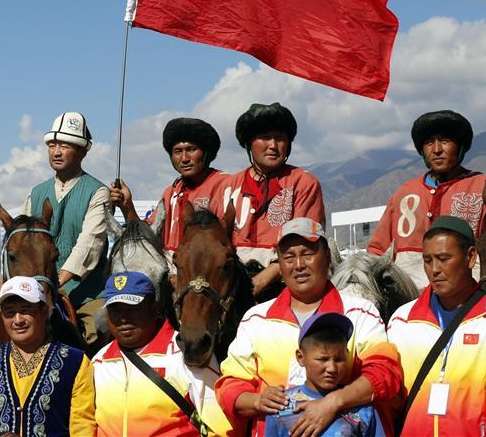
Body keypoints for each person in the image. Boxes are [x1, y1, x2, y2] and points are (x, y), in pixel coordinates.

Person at [215, 218, 402, 437]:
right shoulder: (256, 319)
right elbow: (229, 386)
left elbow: (386, 372)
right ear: (280, 265)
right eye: (289, 257)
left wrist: (333, 402)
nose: (299, 265)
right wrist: (258, 401)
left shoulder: (360, 312)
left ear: (328, 258)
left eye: (307, 253)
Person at [387, 215, 486, 435]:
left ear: (471, 257)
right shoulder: (401, 320)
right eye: (427, 260)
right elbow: (389, 400)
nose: (434, 269)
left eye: (444, 258)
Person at [367, 110, 486, 289]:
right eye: (429, 143)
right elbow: (377, 251)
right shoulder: (405, 192)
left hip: (468, 295)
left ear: (460, 147)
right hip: (407, 299)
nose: (437, 149)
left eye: (445, 141)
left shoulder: (482, 186)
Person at [92, 271, 231, 436]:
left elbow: (220, 426)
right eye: (115, 310)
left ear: (154, 308)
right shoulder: (99, 361)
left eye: (132, 308)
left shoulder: (186, 354)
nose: (124, 318)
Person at [0, 276, 96, 437]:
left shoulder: (75, 362)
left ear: (44, 311)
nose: (18, 320)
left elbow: (83, 427)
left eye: (25, 311)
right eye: (10, 312)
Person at [221, 102, 325, 296]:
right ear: (249, 143)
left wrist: (260, 281)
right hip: (232, 282)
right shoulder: (228, 186)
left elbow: (304, 244)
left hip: (286, 282)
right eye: (265, 138)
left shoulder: (304, 183)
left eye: (280, 138)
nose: (273, 146)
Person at [25, 111, 109, 345]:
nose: (57, 152)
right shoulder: (35, 193)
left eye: (66, 145)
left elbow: (89, 244)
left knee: (96, 330)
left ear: (82, 152)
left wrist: (56, 280)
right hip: (38, 288)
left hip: (86, 292)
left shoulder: (98, 192)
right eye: (52, 145)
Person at [110, 118, 230, 278]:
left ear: (206, 152)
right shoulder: (171, 192)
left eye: (191, 149)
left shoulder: (224, 184)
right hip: (168, 275)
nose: (185, 158)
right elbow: (147, 239)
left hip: (204, 278)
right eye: (178, 151)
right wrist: (127, 206)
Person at [264, 313, 384, 437]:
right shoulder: (281, 406)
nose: (332, 368)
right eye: (322, 359)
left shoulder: (362, 408)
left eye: (339, 359)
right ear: (300, 357)